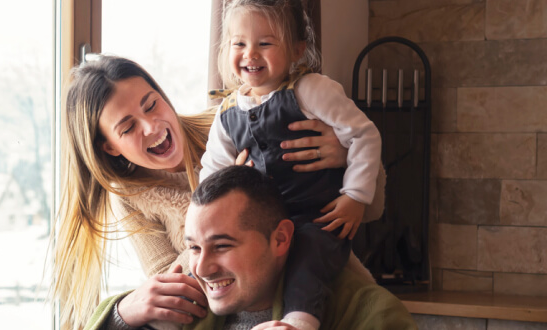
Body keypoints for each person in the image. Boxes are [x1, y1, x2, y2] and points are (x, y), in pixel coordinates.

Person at [51, 55, 387, 329]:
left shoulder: (230, 123)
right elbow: (176, 285)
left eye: (151, 105)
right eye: (128, 127)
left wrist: (346, 156)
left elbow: (371, 209)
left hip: (323, 284)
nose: (151, 126)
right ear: (109, 147)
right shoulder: (131, 198)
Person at [199, 0, 383, 328]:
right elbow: (211, 175)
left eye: (265, 43)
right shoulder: (226, 112)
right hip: (260, 227)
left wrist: (355, 197)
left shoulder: (311, 90)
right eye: (239, 43)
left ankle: (299, 322)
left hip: (317, 218)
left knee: (308, 258)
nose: (250, 54)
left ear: (298, 50)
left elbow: (364, 136)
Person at [82, 166, 415, 330]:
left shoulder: (368, 313)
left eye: (223, 246)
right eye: (195, 248)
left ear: (281, 239)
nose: (202, 268)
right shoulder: (181, 307)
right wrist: (121, 315)